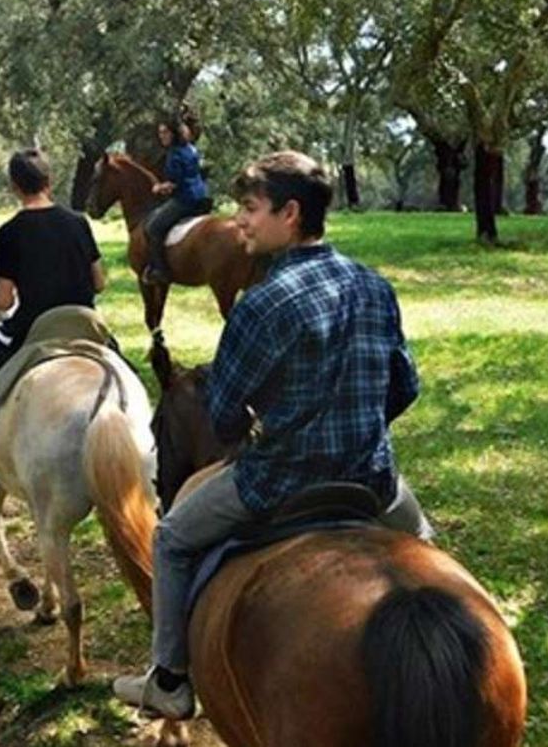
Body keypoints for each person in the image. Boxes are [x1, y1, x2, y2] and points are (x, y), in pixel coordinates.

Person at [113, 151, 433, 720]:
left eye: (250, 209)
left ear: (290, 214)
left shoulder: (260, 305)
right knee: (426, 554)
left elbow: (226, 415)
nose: (239, 221)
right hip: (372, 478)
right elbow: (404, 387)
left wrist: (263, 421)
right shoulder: (374, 286)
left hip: (279, 479)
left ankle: (167, 678)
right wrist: (356, 422)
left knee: (171, 539)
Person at [0, 147, 105, 490]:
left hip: (35, 326)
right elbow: (100, 282)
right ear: (49, 181)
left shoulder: (8, 233)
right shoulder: (79, 222)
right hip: (85, 322)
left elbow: (5, 300)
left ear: (14, 187)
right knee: (127, 374)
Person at [142, 116, 208, 286]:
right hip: (202, 196)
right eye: (160, 133)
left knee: (152, 227)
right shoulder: (191, 148)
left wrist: (158, 188)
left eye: (165, 132)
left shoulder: (174, 154)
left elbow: (173, 185)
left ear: (174, 133)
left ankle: (160, 270)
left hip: (185, 199)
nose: (162, 136)